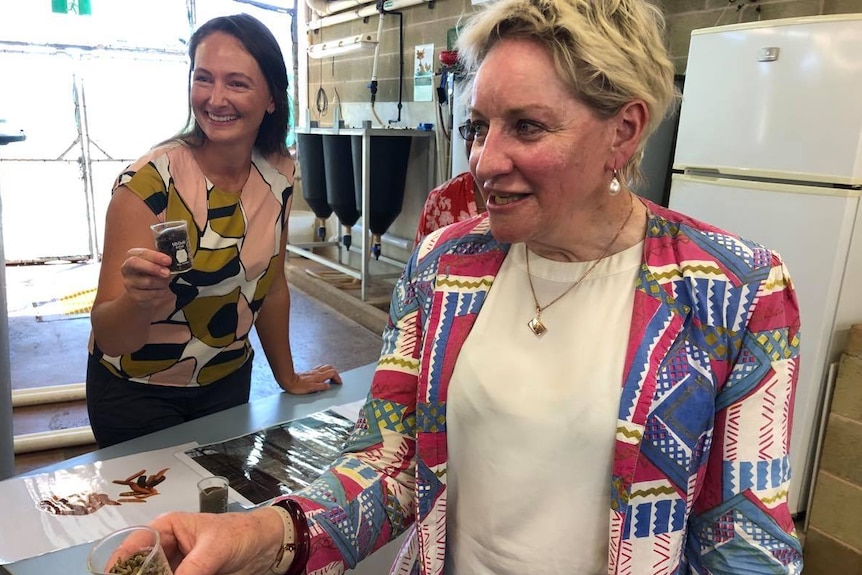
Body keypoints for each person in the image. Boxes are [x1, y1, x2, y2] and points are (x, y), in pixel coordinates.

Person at [143, 0, 804, 573]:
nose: (484, 161)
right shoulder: (443, 265)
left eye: (527, 126)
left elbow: (742, 546)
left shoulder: (732, 292)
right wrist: (258, 533)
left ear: (623, 131)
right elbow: (390, 464)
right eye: (479, 126)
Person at [86, 13, 341, 448]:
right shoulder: (149, 183)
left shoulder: (278, 171)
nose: (215, 98)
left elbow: (272, 285)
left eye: (237, 83)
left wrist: (288, 377)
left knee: (221, 508)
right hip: (139, 395)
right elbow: (112, 337)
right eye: (203, 79)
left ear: (271, 99)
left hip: (227, 385)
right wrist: (137, 299)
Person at [414, 127, 485, 245]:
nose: (475, 144)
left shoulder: (524, 203)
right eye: (475, 129)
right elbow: (420, 261)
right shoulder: (442, 199)